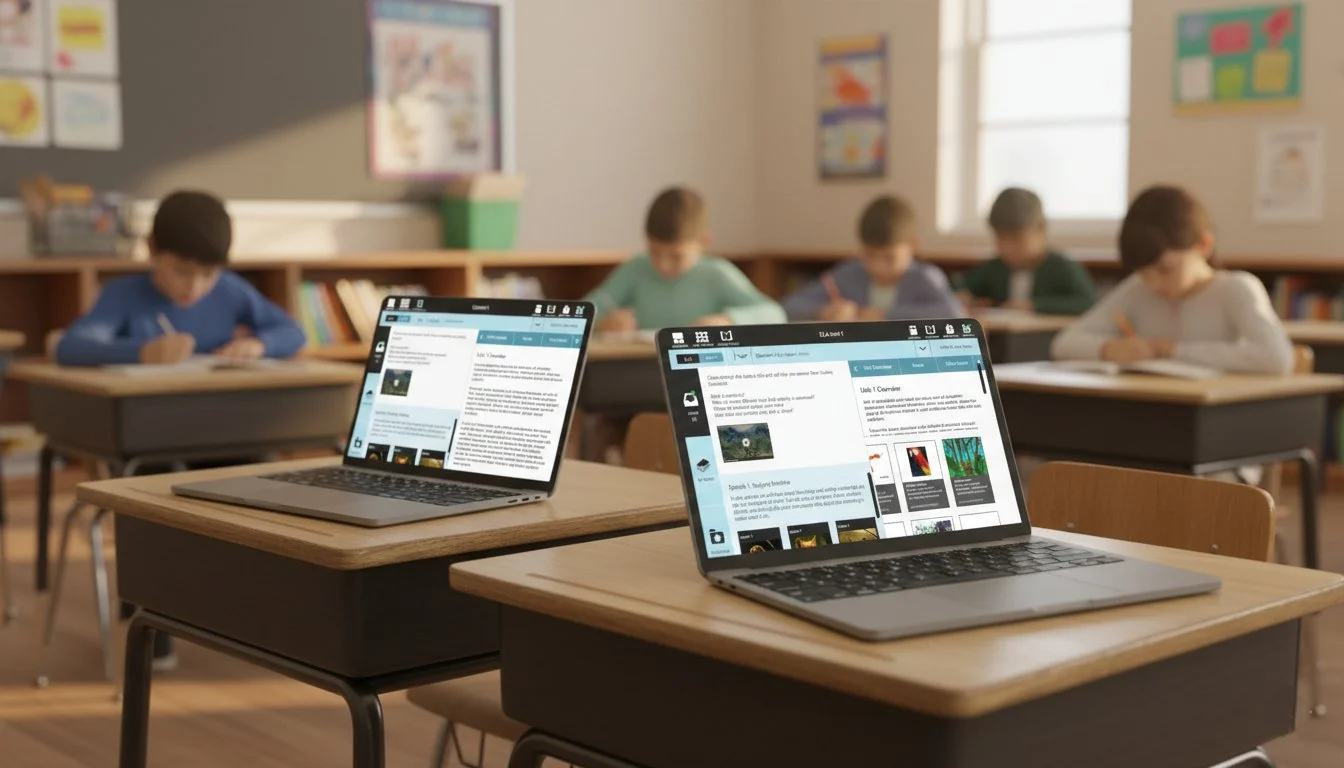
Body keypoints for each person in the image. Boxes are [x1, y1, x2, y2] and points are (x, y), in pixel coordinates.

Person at [1051, 185, 1292, 374]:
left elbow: (1277, 359)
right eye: (1144, 273)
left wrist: (1170, 351)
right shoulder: (1137, 290)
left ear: (1203, 245)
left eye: (1166, 270)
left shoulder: (1235, 289)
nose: (1154, 284)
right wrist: (1108, 349)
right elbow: (1064, 343)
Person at [55, 190, 306, 366]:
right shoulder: (124, 295)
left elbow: (292, 331)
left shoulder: (229, 289)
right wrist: (142, 353)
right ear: (152, 248)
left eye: (208, 273)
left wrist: (260, 345)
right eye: (182, 271)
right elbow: (71, 347)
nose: (195, 286)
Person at [585, 187, 784, 330]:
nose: (663, 265)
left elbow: (774, 314)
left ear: (704, 242)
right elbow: (585, 312)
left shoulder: (715, 274)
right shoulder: (636, 269)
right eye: (654, 252)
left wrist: (727, 320)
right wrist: (602, 323)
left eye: (676, 256)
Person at [782, 195, 962, 321]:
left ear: (912, 246)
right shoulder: (848, 274)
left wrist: (884, 315)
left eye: (889, 258)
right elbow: (788, 306)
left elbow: (953, 313)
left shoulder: (924, 278)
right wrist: (823, 312)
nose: (878, 267)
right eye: (869, 256)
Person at [957, 187, 1097, 315]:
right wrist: (967, 298)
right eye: (1000, 239)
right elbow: (958, 286)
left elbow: (1088, 302)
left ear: (1041, 228)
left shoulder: (1061, 267)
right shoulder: (995, 268)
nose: (1008, 248)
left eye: (1017, 238)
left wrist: (1035, 305)